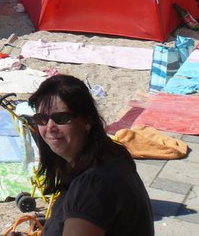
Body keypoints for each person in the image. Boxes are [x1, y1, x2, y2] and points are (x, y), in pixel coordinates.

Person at [27, 74, 153, 235]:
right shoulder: (111, 153)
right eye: (41, 119)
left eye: (62, 118)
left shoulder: (92, 186)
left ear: (87, 121)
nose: (50, 127)